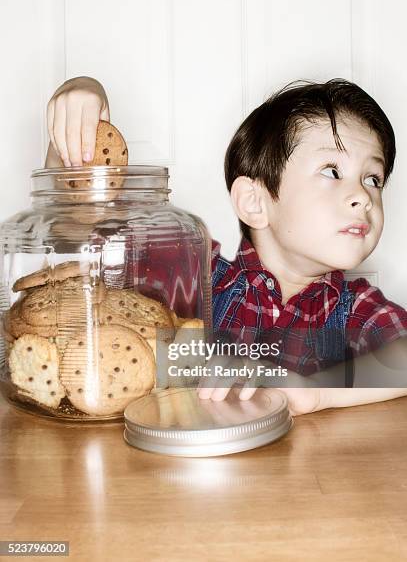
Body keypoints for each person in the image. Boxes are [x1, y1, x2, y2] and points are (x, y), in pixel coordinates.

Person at [44, 76, 407, 415]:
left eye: (373, 178)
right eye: (332, 171)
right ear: (255, 202)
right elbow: (82, 223)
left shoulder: (354, 307)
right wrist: (78, 125)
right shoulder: (192, 271)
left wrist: (314, 392)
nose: (363, 195)